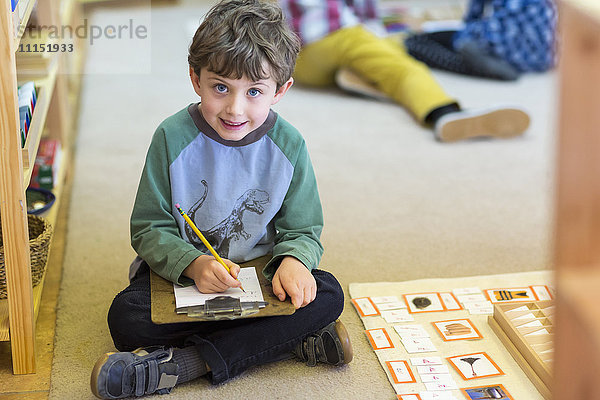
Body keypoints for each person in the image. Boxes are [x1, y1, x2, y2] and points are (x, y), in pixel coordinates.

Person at [89, 1, 352, 398]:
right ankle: (281, 342)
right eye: (220, 87)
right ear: (195, 79)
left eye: (255, 92)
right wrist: (194, 264)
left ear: (281, 91)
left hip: (261, 281)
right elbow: (148, 227)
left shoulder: (290, 144)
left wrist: (296, 261)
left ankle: (184, 365)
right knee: (126, 318)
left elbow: (303, 229)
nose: (235, 108)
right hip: (184, 279)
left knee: (328, 293)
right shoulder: (170, 137)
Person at [278, 0, 531, 142]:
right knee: (403, 67)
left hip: (299, 62)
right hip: (333, 37)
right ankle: (443, 112)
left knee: (386, 50)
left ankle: (356, 75)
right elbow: (365, 16)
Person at [405, 0, 558, 81]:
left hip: (505, 51)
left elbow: (472, 18)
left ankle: (491, 69)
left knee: (415, 43)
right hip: (543, 57)